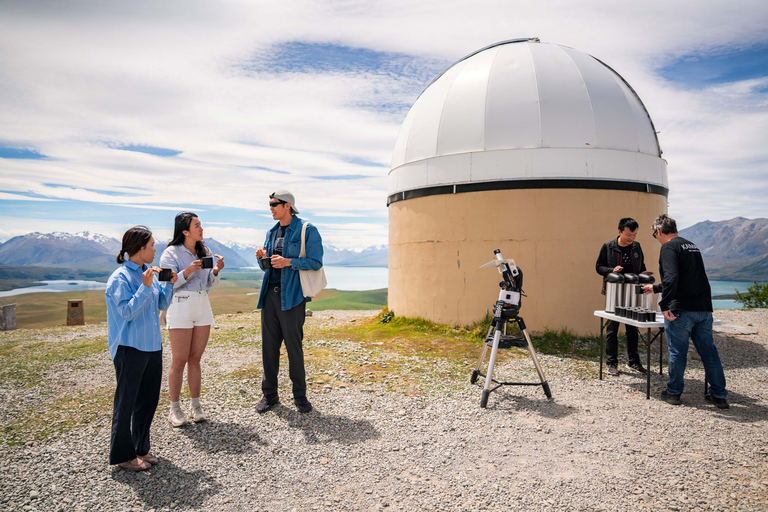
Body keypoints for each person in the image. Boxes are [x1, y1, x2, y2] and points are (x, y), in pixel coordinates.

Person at [106, 226, 176, 471]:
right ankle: (123, 455)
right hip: (129, 348)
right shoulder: (120, 278)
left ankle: (140, 449)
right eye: (151, 245)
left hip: (152, 346)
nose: (155, 249)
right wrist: (145, 287)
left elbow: (161, 304)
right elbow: (126, 312)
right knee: (126, 403)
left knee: (147, 401)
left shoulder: (150, 273)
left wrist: (168, 285)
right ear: (139, 249)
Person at [642, 214, 729, 409]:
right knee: (709, 353)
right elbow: (687, 278)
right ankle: (719, 395)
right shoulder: (691, 246)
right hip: (703, 308)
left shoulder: (668, 247)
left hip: (681, 310)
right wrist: (656, 288)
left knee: (677, 352)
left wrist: (664, 305)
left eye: (654, 236)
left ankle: (674, 393)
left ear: (658, 231)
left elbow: (672, 278)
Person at [254, 190, 323, 414]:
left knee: (294, 348)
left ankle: (300, 396)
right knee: (269, 348)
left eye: (274, 204)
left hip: (292, 297)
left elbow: (315, 262)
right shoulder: (271, 232)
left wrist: (288, 262)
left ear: (288, 205)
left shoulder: (307, 229)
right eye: (270, 204)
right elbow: (268, 267)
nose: (271, 208)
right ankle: (270, 394)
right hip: (270, 296)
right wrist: (261, 258)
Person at [159, 212, 224, 427]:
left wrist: (215, 271)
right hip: (180, 306)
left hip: (202, 305)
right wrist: (187, 271)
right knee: (179, 361)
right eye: (197, 225)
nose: (201, 229)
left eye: (201, 224)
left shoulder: (204, 251)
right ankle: (174, 409)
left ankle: (195, 406)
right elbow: (167, 284)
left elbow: (208, 284)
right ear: (185, 231)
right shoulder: (170, 253)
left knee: (195, 358)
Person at [595, 217, 652, 376]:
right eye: (629, 235)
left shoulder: (637, 246)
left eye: (634, 235)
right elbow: (599, 267)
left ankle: (634, 362)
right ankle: (612, 363)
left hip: (633, 292)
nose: (632, 238)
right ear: (619, 232)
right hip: (614, 292)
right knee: (612, 329)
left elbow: (641, 266)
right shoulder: (608, 247)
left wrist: (643, 274)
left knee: (632, 328)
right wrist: (611, 270)